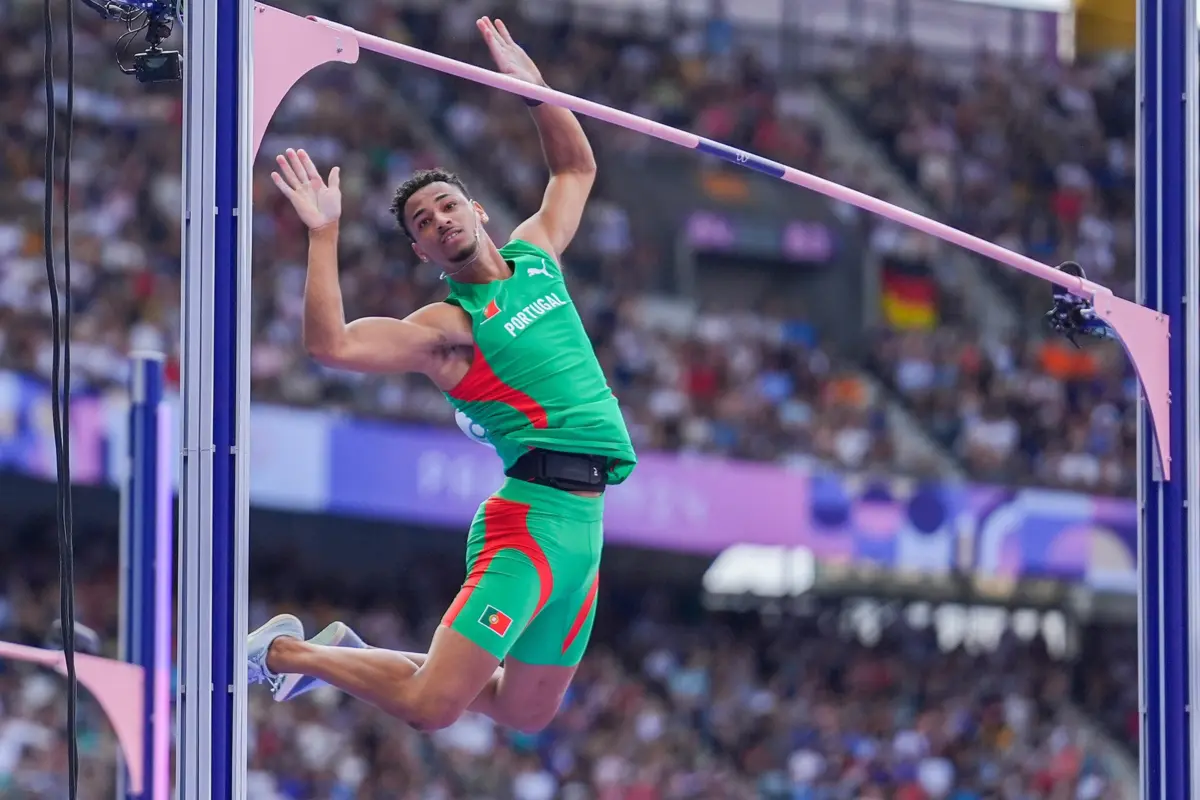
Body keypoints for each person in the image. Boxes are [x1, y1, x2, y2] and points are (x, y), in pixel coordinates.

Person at [247, 16, 637, 734]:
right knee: (433, 707)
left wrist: (537, 92)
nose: (440, 221)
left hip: (586, 526)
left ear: (477, 210)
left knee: (525, 711)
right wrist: (324, 233)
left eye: (447, 206)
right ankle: (284, 652)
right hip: (530, 522)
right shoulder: (450, 328)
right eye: (423, 224)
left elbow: (574, 171)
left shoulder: (535, 255)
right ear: (422, 253)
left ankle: (353, 656)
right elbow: (330, 344)